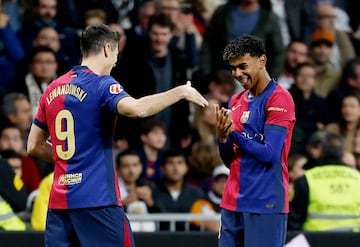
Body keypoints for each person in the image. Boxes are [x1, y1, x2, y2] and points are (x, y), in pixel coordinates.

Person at [26, 23, 207, 246]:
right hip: (98, 202)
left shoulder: (52, 89)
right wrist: (180, 92)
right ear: (106, 49)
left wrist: (70, 162)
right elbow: (137, 108)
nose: (115, 61)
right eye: (116, 54)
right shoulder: (102, 84)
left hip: (59, 206)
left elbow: (33, 146)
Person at [215, 34, 296, 247]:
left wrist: (233, 134)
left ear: (262, 61)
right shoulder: (236, 101)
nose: (237, 74)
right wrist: (222, 138)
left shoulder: (280, 98)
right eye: (233, 68)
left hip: (265, 203)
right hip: (232, 202)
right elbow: (230, 160)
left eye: (242, 66)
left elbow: (270, 154)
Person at [288, 131, 360, 232]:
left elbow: (294, 222)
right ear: (343, 154)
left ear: (321, 151)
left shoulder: (306, 179)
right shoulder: (358, 178)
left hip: (315, 241)